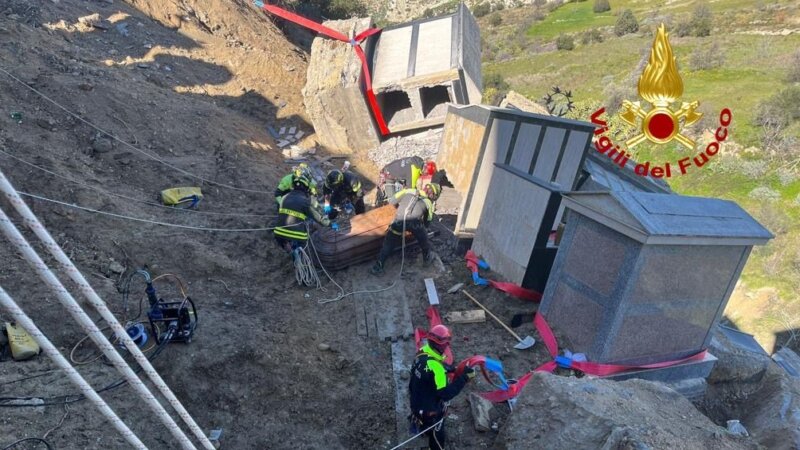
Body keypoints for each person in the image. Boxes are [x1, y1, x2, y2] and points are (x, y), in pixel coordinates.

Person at [409, 324, 475, 450]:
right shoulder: (437, 370)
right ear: (439, 345)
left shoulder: (422, 352)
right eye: (445, 344)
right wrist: (464, 378)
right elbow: (446, 394)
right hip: (430, 413)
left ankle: (421, 425)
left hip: (415, 403)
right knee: (437, 436)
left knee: (423, 420)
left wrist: (453, 369)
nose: (447, 346)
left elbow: (435, 364)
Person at [370, 183, 441, 276]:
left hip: (398, 221)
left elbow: (392, 201)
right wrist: (421, 227)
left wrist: (402, 207)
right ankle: (427, 259)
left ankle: (378, 267)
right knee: (424, 237)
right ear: (433, 194)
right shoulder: (428, 203)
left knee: (388, 243)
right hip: (414, 224)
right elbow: (427, 222)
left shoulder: (408, 191)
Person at [273, 174, 334, 253]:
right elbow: (317, 218)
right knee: (303, 241)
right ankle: (300, 253)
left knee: (286, 242)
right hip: (297, 235)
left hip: (278, 233)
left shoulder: (284, 197)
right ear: (306, 188)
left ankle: (289, 250)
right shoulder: (305, 201)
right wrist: (330, 224)